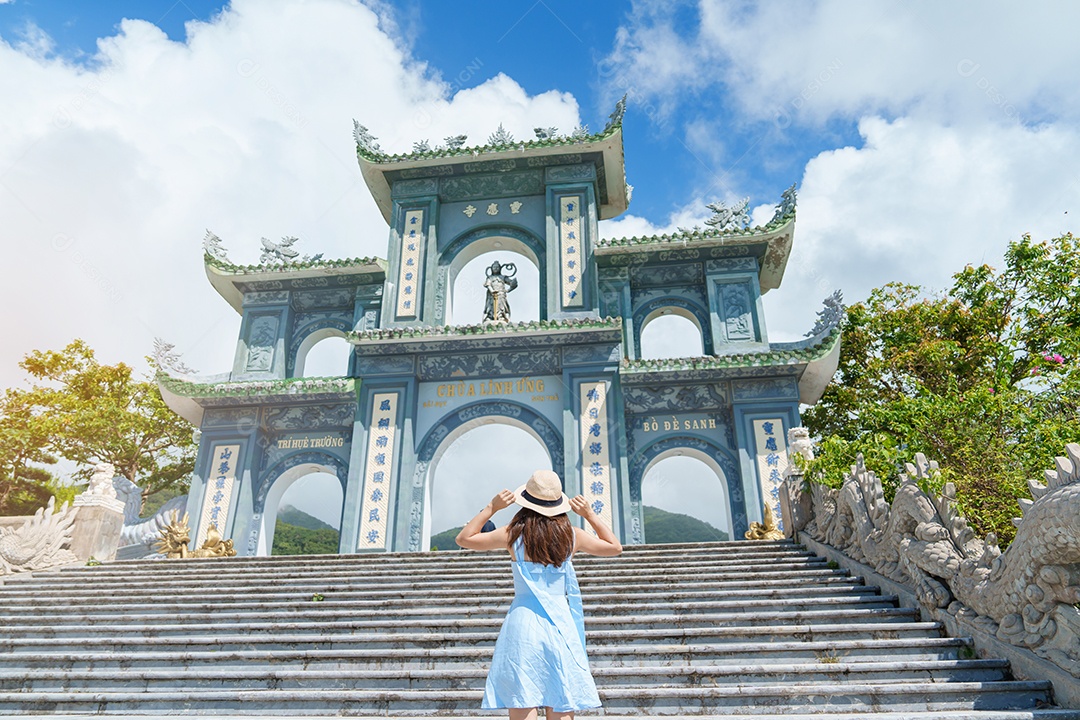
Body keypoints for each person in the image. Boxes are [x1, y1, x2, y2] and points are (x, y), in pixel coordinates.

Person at [456, 469, 622, 720]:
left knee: (523, 698)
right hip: (559, 623)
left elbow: (464, 538)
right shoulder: (572, 535)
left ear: (526, 501)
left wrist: (492, 506)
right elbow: (614, 547)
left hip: (523, 622)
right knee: (561, 698)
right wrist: (588, 514)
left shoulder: (513, 533)